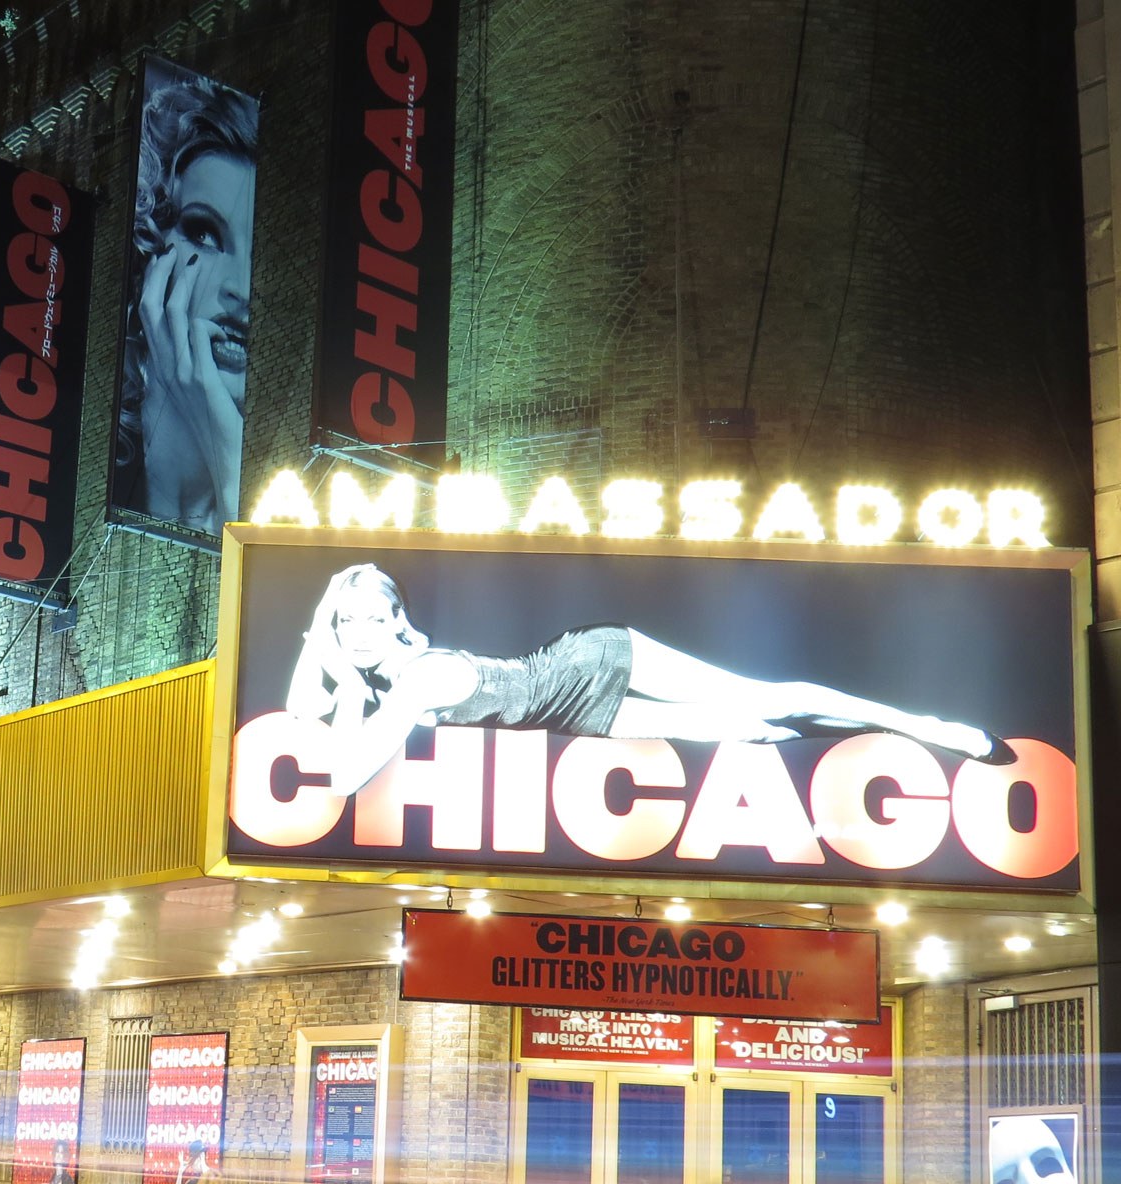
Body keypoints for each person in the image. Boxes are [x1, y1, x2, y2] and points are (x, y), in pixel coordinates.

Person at [290, 563, 1012, 796]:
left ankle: (928, 728)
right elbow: (301, 711)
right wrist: (323, 639)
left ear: (394, 621)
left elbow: (344, 778)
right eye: (342, 624)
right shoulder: (385, 677)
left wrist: (345, 682)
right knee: (757, 732)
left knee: (767, 699)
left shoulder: (410, 682)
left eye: (365, 620)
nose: (354, 637)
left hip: (589, 661)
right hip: (571, 715)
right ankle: (908, 731)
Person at [113, 62, 259, 534]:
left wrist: (228, 452)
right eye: (205, 234)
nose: (241, 288)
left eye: (256, 255)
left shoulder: (281, 491)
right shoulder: (96, 474)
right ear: (148, 249)